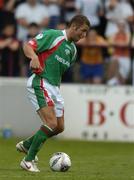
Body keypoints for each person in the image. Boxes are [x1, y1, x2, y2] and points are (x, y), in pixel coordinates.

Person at [16, 15, 90, 172]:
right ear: (74, 27)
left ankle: (27, 144)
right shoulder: (53, 35)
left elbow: (58, 70)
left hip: (55, 88)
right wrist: (34, 57)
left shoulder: (73, 51)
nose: (84, 35)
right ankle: (28, 161)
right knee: (50, 123)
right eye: (83, 31)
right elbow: (27, 46)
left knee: (59, 127)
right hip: (40, 82)